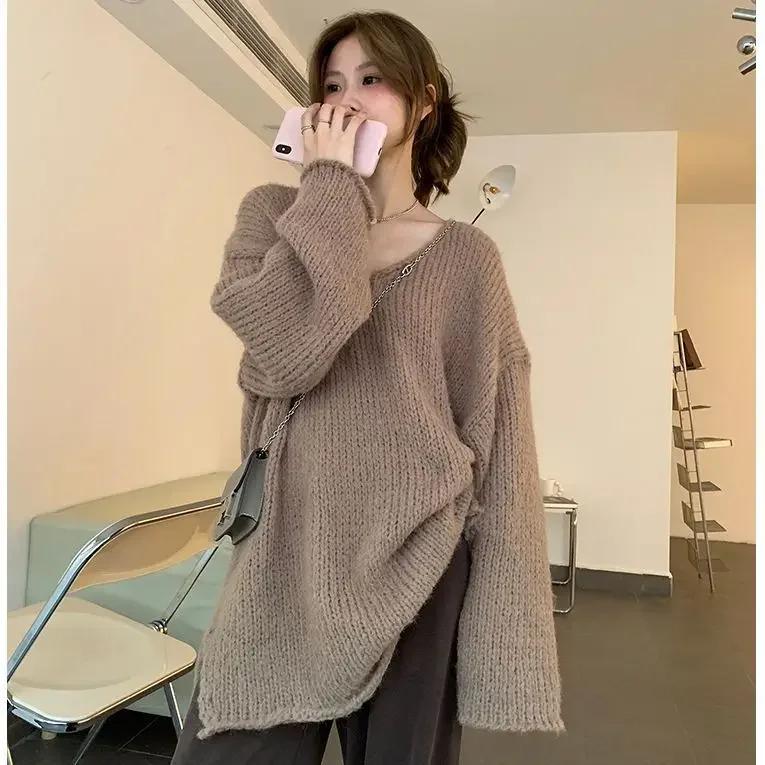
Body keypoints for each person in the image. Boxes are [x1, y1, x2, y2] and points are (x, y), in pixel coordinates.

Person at [171, 10, 564, 765]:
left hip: (420, 556)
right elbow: (289, 354)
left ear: (424, 101)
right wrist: (331, 184)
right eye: (330, 85)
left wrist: (506, 640)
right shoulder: (271, 217)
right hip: (290, 553)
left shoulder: (467, 260)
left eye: (372, 79)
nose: (346, 100)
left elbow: (501, 446)